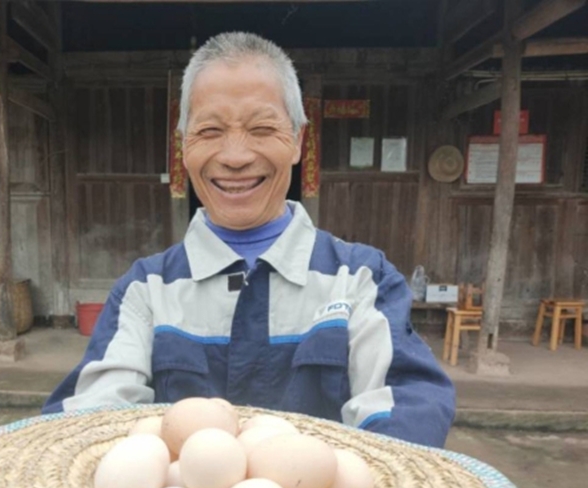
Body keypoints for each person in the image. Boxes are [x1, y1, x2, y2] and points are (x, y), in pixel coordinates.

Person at [42, 32, 455, 448]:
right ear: (184, 145)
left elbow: (405, 412)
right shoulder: (146, 291)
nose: (235, 156)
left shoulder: (361, 280)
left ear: (296, 141)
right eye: (210, 130)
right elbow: (90, 420)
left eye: (261, 128)